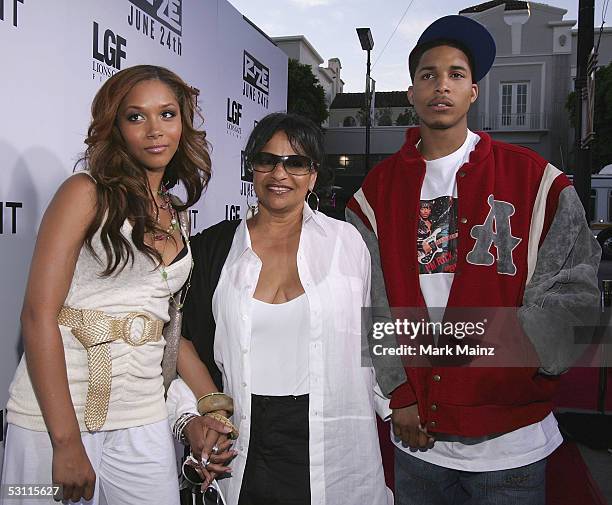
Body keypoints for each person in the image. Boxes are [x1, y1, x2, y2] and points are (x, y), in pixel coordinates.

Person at [346, 15, 601, 505]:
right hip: (418, 441)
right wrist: (398, 394)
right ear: (412, 90)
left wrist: (504, 366)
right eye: (428, 74)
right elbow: (369, 301)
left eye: (456, 74)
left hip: (512, 444)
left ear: (474, 91)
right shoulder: (374, 194)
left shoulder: (537, 180)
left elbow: (578, 298)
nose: (442, 85)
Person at [0, 65, 219, 505]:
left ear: (184, 123)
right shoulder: (84, 192)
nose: (155, 130)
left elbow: (167, 331)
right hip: (53, 421)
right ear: (115, 127)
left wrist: (213, 404)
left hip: (142, 416)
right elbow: (38, 315)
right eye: (136, 117)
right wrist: (65, 443)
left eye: (168, 114)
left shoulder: (178, 214)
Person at [166, 112, 391, 505]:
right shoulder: (214, 249)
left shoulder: (347, 243)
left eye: (296, 162)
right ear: (251, 168)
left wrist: (402, 402)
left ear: (314, 174)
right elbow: (182, 339)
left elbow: (372, 335)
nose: (279, 173)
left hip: (332, 433)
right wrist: (203, 411)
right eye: (266, 160)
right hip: (245, 434)